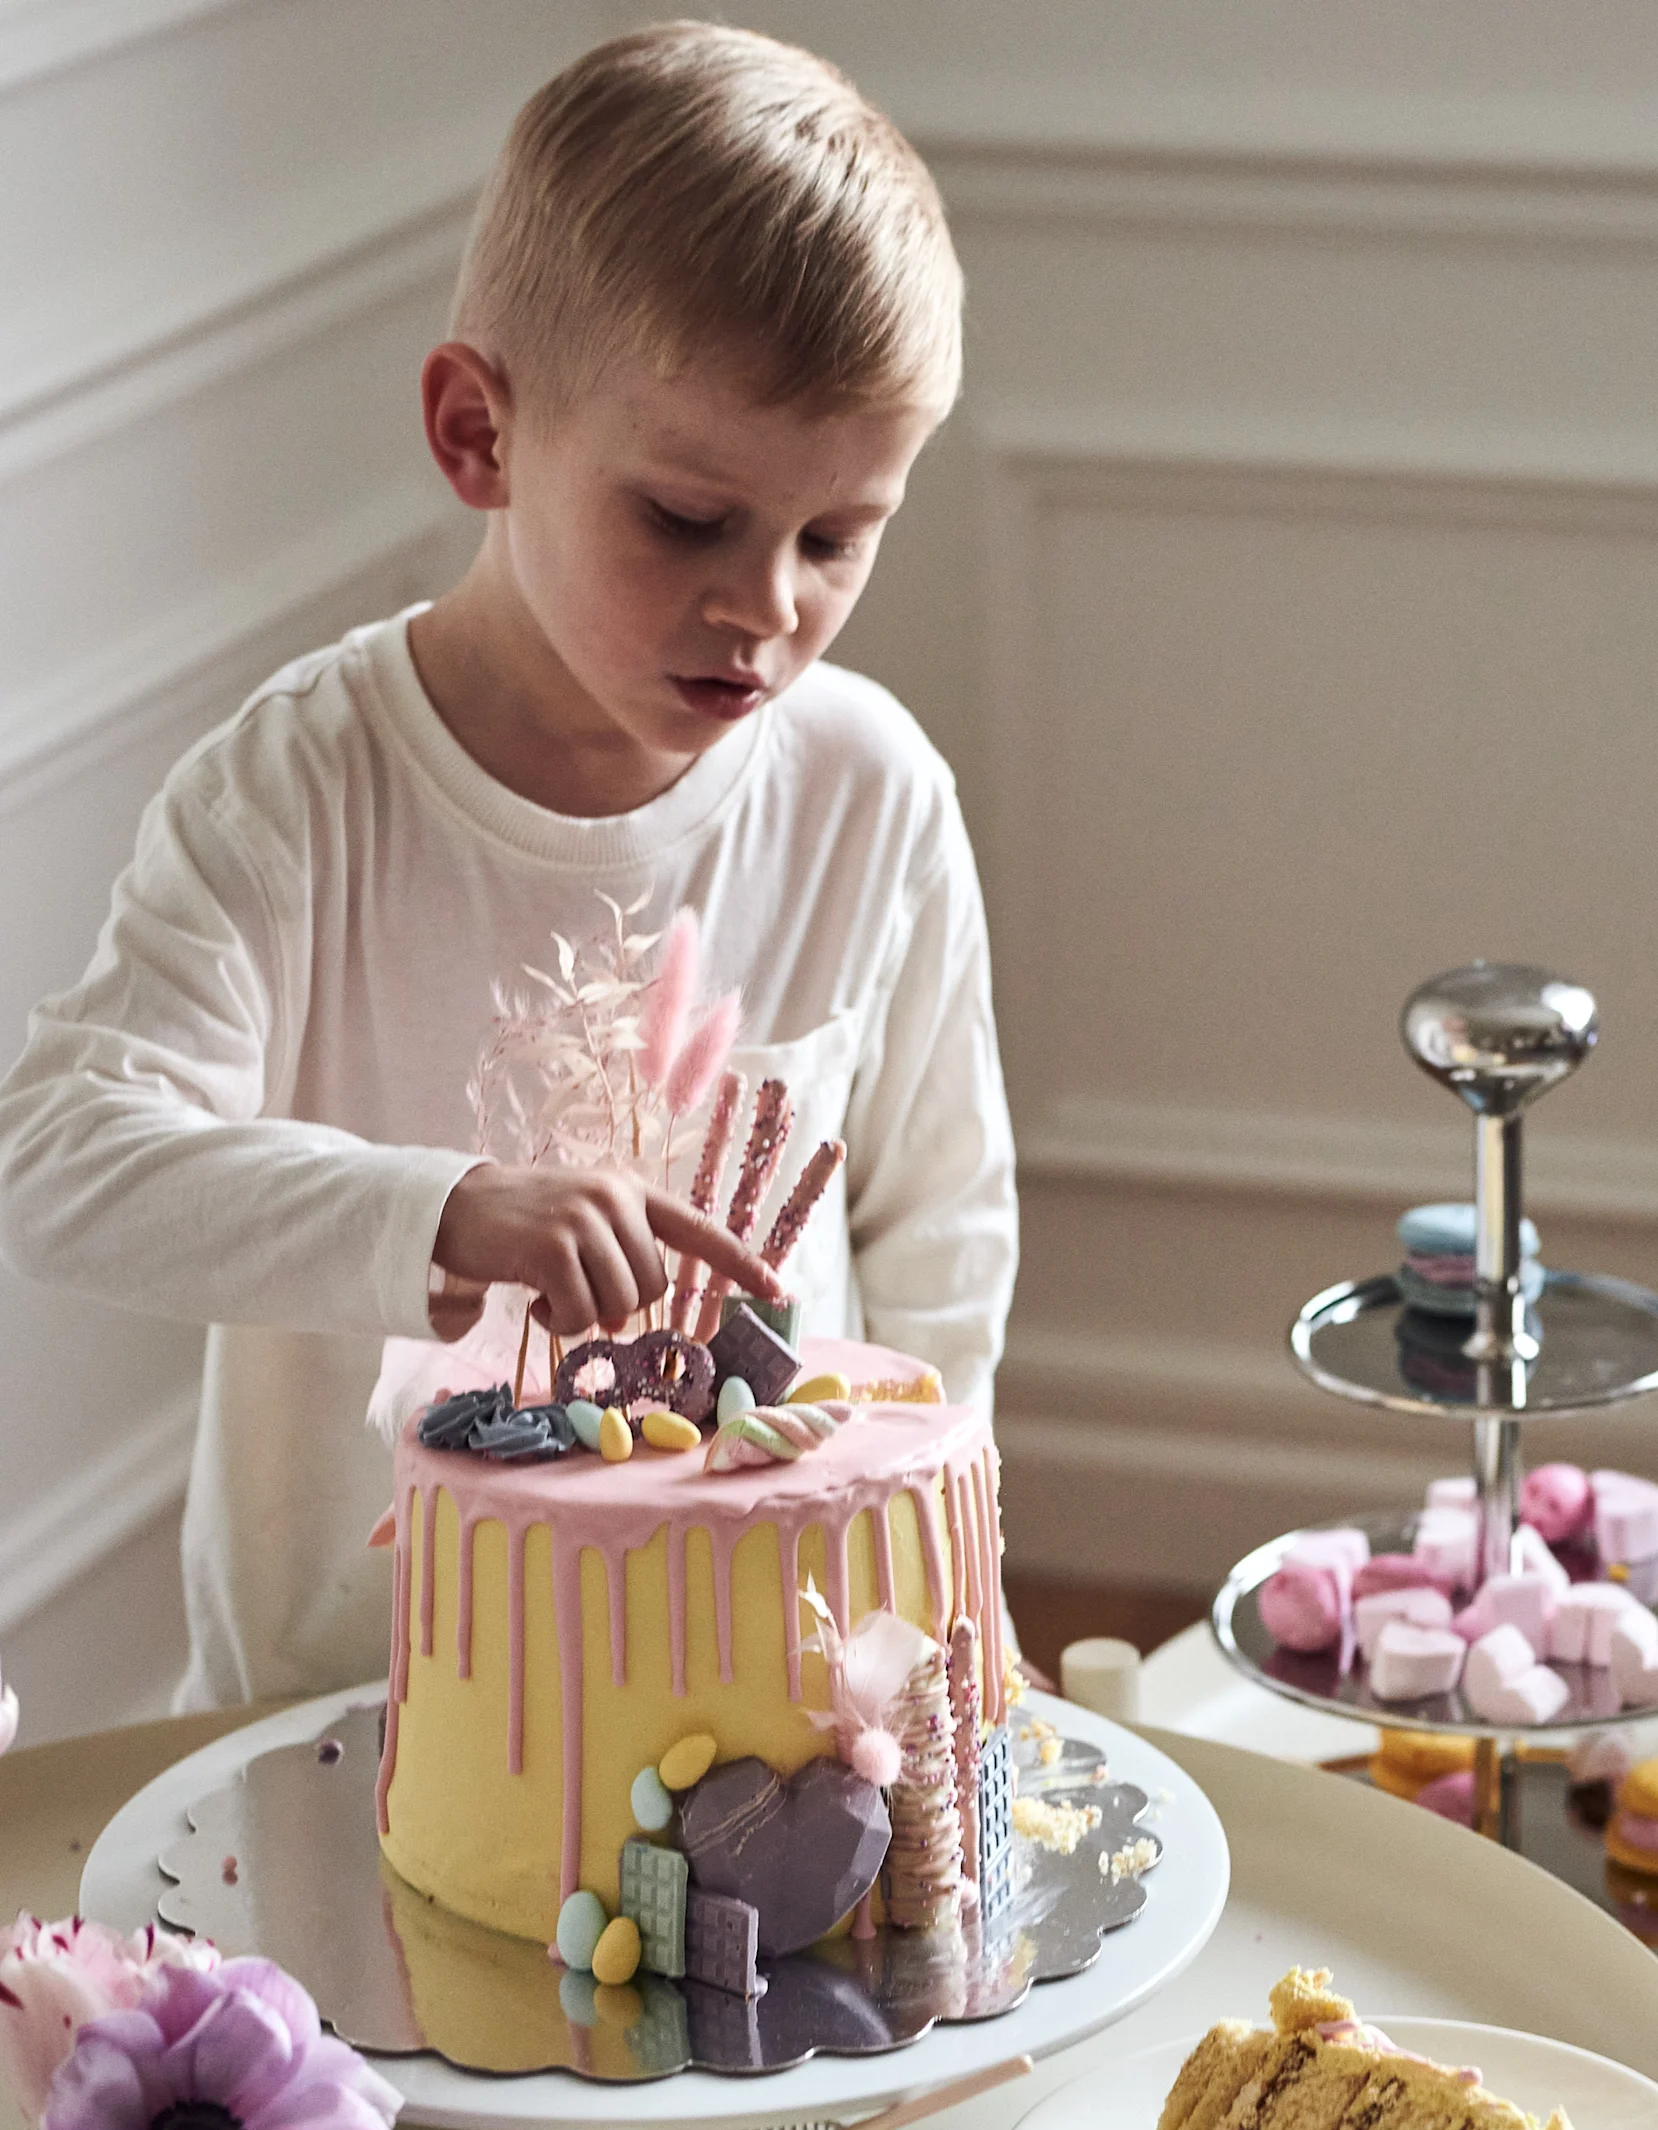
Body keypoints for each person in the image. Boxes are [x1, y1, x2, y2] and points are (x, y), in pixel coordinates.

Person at [0, 19, 1017, 1727]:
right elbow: (60, 1162)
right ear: (479, 433)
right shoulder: (304, 792)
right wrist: (443, 1215)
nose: (768, 606)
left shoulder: (870, 793)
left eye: (836, 537)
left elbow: (940, 1234)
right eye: (688, 519)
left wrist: (950, 1584)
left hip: (771, 1701)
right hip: (350, 1715)